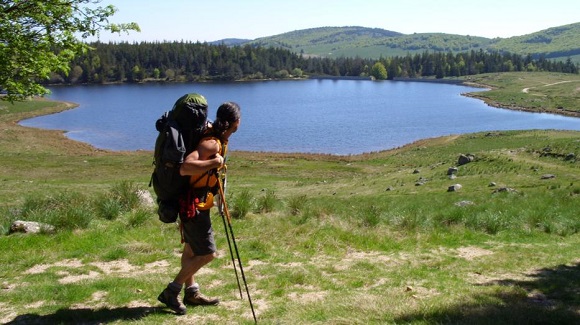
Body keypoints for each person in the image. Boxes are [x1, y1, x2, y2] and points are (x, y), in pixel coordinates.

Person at [157, 102, 241, 315]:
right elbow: (186, 167)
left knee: (191, 250)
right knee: (208, 254)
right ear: (236, 123)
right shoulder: (211, 143)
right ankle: (172, 290)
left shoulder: (215, 136)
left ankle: (191, 292)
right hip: (194, 205)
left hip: (196, 201)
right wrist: (214, 164)